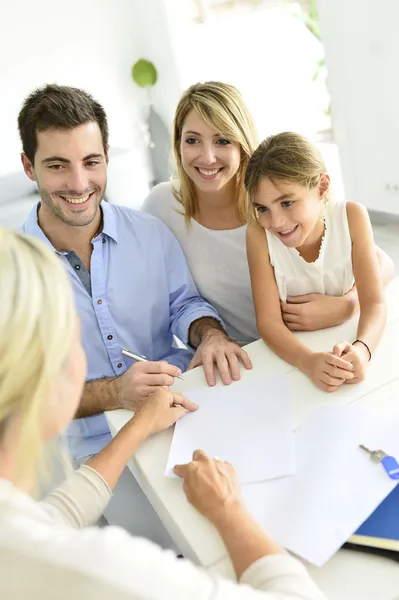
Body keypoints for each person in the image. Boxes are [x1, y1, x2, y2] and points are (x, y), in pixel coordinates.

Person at [0, 227, 326, 600]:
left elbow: (51, 516)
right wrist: (228, 508)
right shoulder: (101, 569)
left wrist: (139, 424)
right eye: (73, 339)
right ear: (42, 376)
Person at [18, 84, 251, 547]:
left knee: (245, 525)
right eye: (57, 165)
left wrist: (210, 335)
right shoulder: (13, 271)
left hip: (185, 416)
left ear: (107, 157)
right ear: (29, 167)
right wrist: (115, 393)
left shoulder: (150, 232)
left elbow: (185, 304)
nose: (80, 184)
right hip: (91, 456)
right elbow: (24, 397)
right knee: (174, 559)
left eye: (91, 162)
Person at [142, 81, 394, 347]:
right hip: (243, 356)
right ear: (178, 144)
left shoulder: (273, 199)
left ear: (242, 144)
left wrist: (349, 303)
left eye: (223, 140)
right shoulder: (162, 205)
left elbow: (382, 263)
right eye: (192, 140)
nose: (207, 157)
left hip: (314, 341)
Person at [245, 132, 387, 392]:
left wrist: (363, 349)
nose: (275, 222)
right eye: (262, 208)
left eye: (286, 202)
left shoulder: (352, 217)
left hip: (344, 338)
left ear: (321, 187)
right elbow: (268, 323)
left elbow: (375, 303)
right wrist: (307, 361)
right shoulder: (258, 235)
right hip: (292, 359)